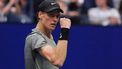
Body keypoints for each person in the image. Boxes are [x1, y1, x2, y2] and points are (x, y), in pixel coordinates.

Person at [24, 0, 71, 69]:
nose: (55, 19)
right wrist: (64, 30)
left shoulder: (49, 38)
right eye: (51, 15)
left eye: (57, 16)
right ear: (40, 15)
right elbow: (58, 61)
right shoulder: (34, 37)